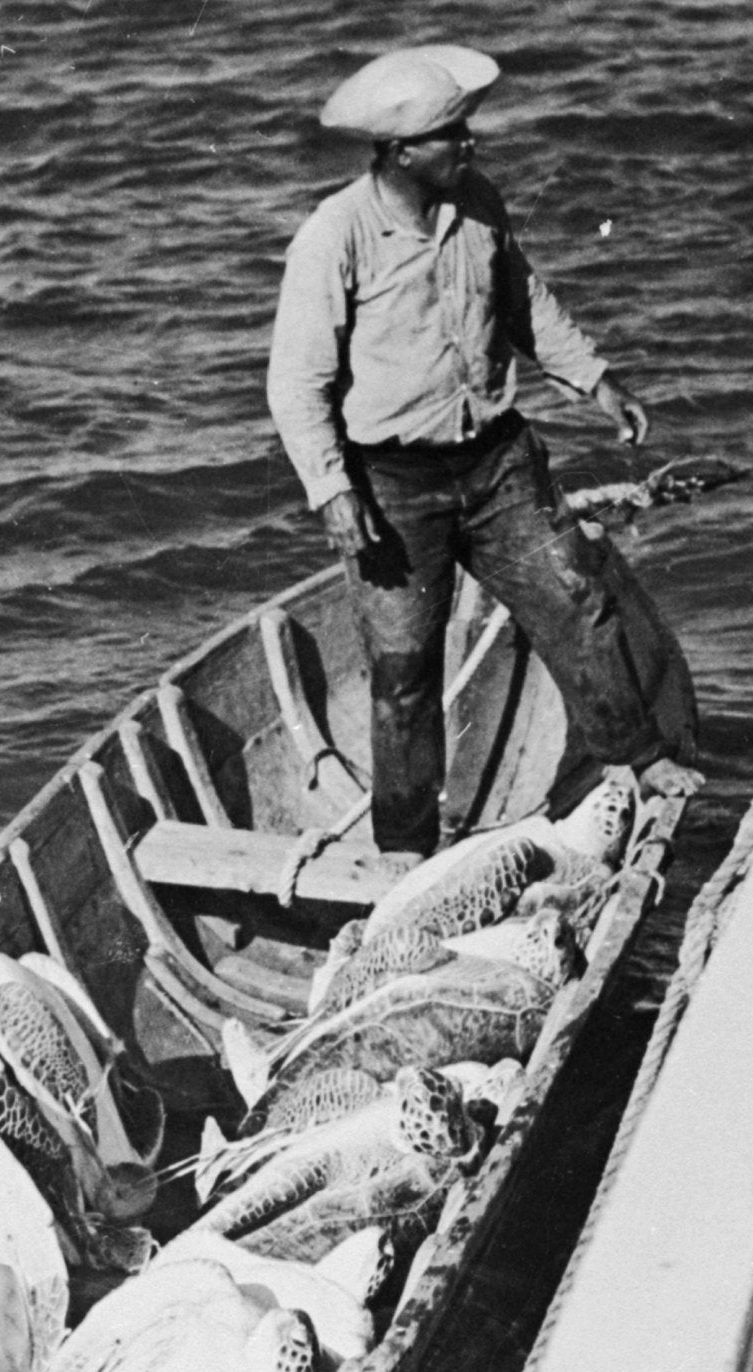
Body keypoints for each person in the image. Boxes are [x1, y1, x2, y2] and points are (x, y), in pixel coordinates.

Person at [267, 44, 698, 857]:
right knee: (402, 676)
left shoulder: (478, 203)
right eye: (452, 135)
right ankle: (403, 851)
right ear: (400, 153)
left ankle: (636, 758)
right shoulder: (334, 238)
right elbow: (296, 384)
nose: (469, 145)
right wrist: (333, 493)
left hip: (498, 462)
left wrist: (597, 382)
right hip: (391, 482)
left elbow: (525, 304)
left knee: (580, 602)